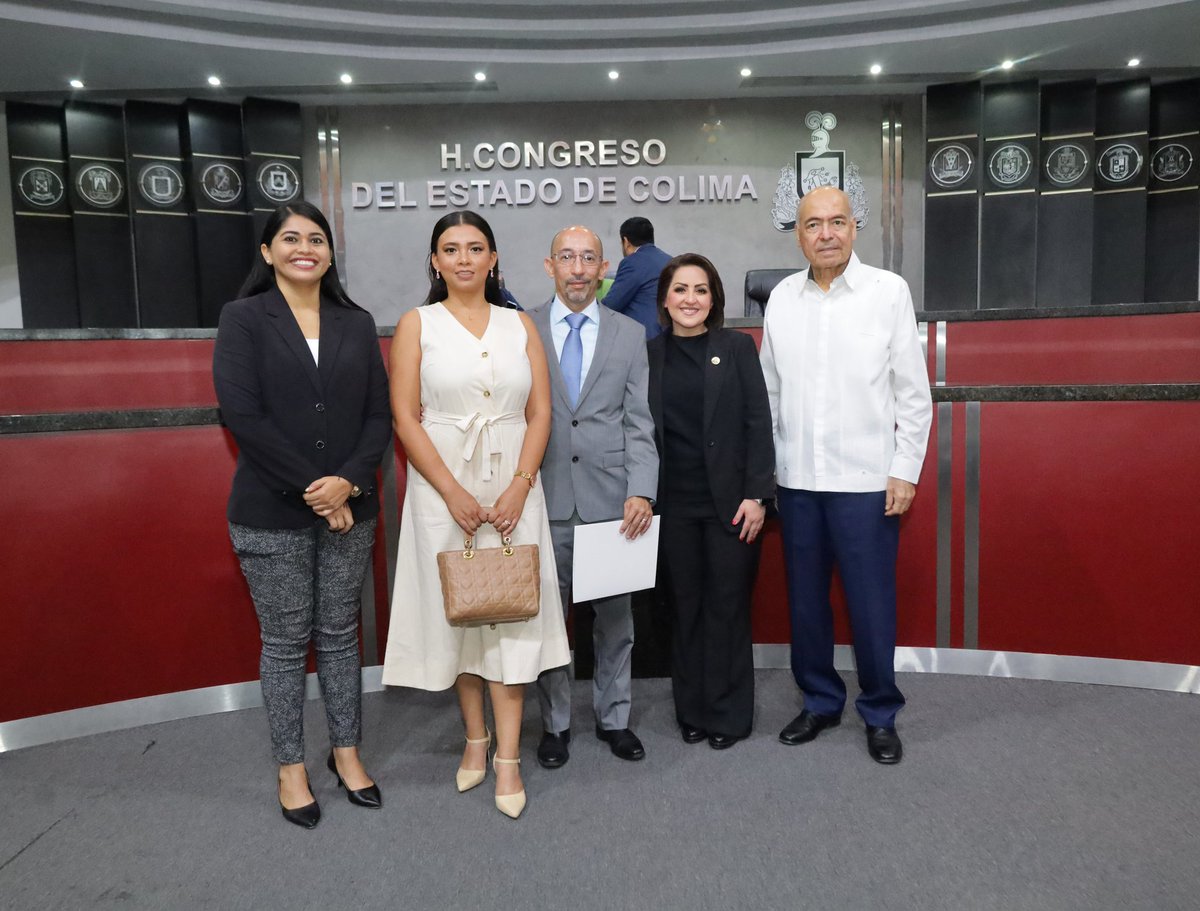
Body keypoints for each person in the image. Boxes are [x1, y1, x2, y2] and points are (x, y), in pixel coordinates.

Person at [380, 211, 569, 820]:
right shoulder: (418, 325)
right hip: (442, 489)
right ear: (434, 261)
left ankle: (509, 757)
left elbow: (540, 413)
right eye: (450, 249)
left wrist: (519, 484)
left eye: (476, 248)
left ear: (493, 259)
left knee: (509, 615)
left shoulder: (521, 326)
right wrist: (450, 492)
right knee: (461, 614)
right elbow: (406, 416)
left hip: (514, 485)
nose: (463, 258)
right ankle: (475, 740)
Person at [213, 201, 391, 828]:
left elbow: (378, 416)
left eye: (317, 238)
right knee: (287, 644)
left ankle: (347, 753)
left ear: (330, 252)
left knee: (342, 637)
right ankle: (291, 767)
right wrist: (318, 489)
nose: (305, 248)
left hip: (350, 508)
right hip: (270, 513)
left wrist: (347, 484)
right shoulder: (243, 319)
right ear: (268, 252)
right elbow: (243, 417)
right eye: (290, 238)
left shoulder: (356, 321)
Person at [760, 186, 932, 765]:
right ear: (798, 234)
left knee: (870, 603)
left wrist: (904, 470)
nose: (826, 233)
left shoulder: (888, 292)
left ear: (855, 228)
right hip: (799, 482)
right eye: (814, 224)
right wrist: (770, 476)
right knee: (806, 602)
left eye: (837, 222)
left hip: (867, 482)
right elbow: (770, 393)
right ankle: (820, 701)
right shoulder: (782, 298)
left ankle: (880, 711)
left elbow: (913, 393)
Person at [528, 225, 659, 768]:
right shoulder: (522, 328)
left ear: (605, 268)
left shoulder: (629, 334)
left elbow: (639, 423)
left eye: (588, 259)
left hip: (612, 504)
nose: (578, 268)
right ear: (549, 265)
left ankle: (614, 719)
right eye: (567, 257)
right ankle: (555, 726)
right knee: (546, 624)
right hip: (542, 498)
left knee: (615, 621)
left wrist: (642, 492)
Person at [647, 253, 774, 750]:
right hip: (671, 507)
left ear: (714, 299)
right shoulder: (648, 354)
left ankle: (729, 714)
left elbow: (758, 424)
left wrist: (758, 494)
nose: (690, 299)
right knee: (685, 610)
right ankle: (692, 710)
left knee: (727, 608)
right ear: (664, 299)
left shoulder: (738, 348)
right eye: (680, 289)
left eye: (700, 290)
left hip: (731, 507)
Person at [602, 216, 672, 339]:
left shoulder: (632, 262)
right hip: (670, 335)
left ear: (626, 241)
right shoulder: (670, 260)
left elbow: (612, 304)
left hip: (645, 339)